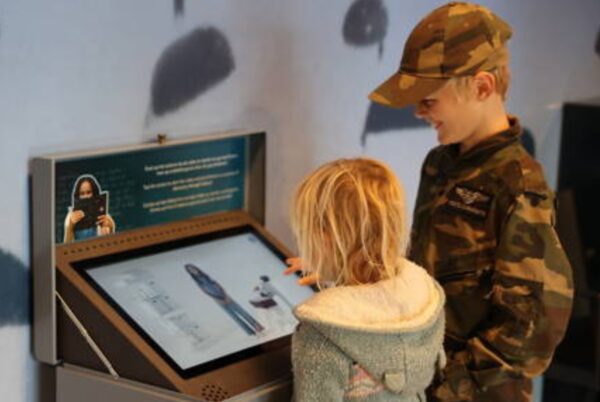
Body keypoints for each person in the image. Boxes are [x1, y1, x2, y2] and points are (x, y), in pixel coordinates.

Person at [368, 2, 573, 401]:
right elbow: (424, 272)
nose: (419, 111)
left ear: (481, 87)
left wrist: (449, 389)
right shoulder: (440, 164)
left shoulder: (518, 185)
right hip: (423, 374)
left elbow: (531, 329)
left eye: (429, 99)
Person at [289, 158, 446, 401]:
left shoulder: (323, 334)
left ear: (325, 237)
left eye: (304, 231)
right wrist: (334, 267)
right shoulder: (425, 303)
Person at [63, 175, 115, 242]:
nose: (86, 196)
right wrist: (71, 225)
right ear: (78, 196)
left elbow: (111, 241)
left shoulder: (103, 214)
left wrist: (111, 227)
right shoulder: (71, 215)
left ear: (94, 193)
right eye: (82, 193)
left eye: (89, 192)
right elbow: (66, 243)